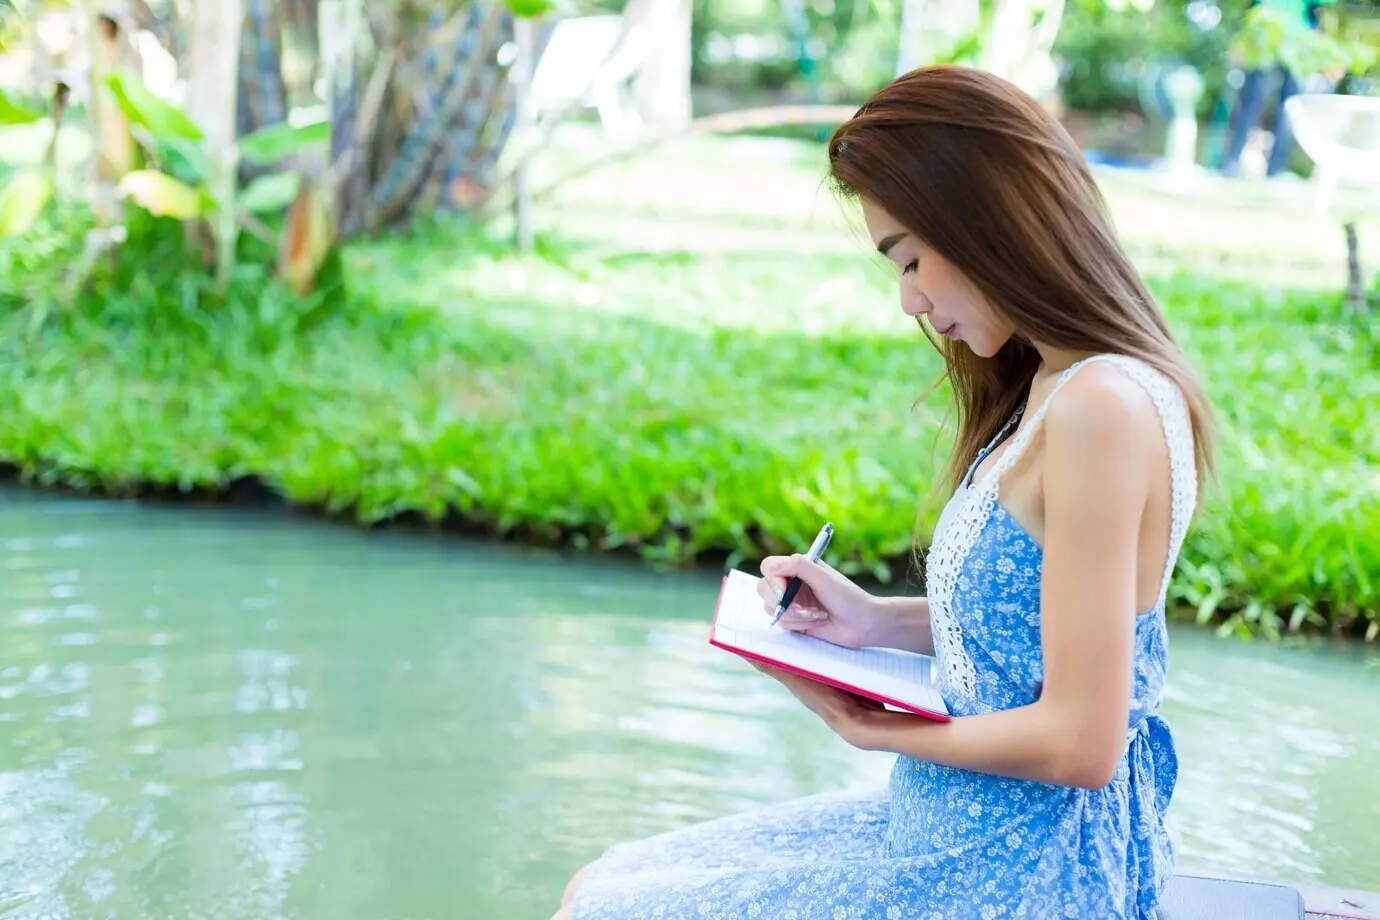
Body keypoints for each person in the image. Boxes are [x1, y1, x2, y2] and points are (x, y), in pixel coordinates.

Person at [555, 65, 1216, 920]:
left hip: (1019, 865)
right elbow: (1037, 629)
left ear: (983, 216)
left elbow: (1081, 742)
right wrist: (869, 620)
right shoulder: (1061, 385)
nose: (908, 299)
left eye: (908, 257)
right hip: (952, 823)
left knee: (607, 911)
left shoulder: (1100, 408)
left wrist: (874, 729)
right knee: (602, 887)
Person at [1219, 0, 1336, 178]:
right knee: (1256, 102)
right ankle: (1233, 163)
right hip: (1268, 33)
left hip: (1294, 39)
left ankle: (1272, 168)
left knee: (1285, 108)